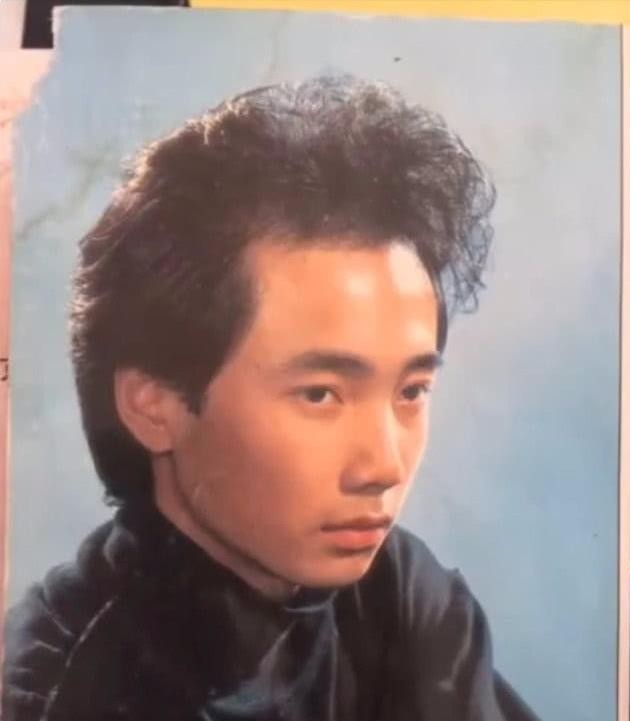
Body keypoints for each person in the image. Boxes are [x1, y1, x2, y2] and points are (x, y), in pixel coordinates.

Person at [2, 76, 541, 721]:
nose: (383, 467)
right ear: (152, 405)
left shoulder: (399, 596)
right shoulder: (65, 688)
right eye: (320, 394)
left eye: (411, 391)